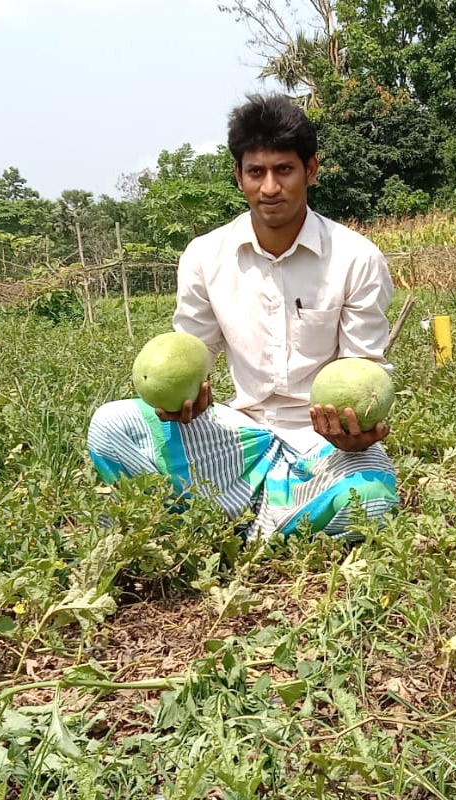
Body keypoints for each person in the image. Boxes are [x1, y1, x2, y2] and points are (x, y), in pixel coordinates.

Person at [87, 94, 399, 539]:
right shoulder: (204, 256)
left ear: (309, 171)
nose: (270, 187)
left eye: (284, 170)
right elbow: (192, 352)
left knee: (372, 499)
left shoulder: (357, 258)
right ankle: (278, 513)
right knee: (111, 426)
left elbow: (363, 368)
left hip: (322, 442)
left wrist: (357, 428)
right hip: (238, 432)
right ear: (239, 177)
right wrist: (182, 400)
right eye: (256, 172)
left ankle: (232, 513)